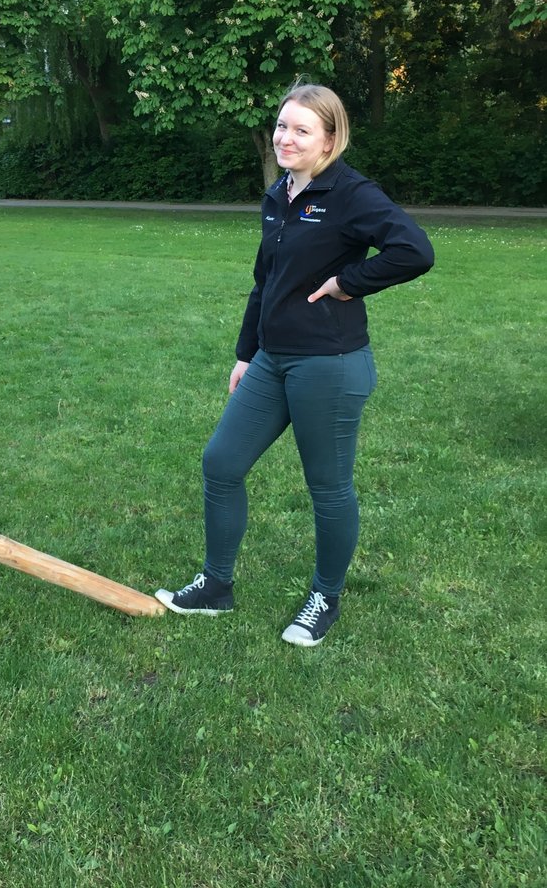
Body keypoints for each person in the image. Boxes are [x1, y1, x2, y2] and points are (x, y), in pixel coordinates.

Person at [155, 84, 435, 646]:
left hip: (329, 363)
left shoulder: (351, 194)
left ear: (330, 139)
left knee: (327, 487)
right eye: (283, 126)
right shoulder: (279, 194)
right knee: (221, 463)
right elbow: (266, 280)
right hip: (272, 359)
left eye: (302, 130)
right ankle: (216, 585)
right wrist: (246, 352)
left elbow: (415, 251)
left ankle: (325, 597)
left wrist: (348, 282)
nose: (286, 138)